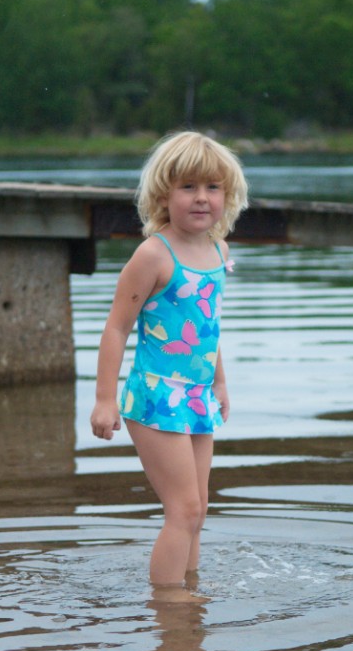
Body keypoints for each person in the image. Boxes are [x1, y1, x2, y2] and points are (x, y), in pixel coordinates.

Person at [90, 131, 248, 593]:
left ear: (227, 196)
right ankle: (168, 605)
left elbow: (207, 326)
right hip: (156, 395)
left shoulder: (219, 251)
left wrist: (219, 383)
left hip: (197, 396)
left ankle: (189, 596)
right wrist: (104, 400)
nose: (202, 198)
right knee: (184, 509)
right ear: (164, 194)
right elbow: (116, 328)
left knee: (198, 509)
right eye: (188, 187)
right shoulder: (154, 255)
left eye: (213, 188)